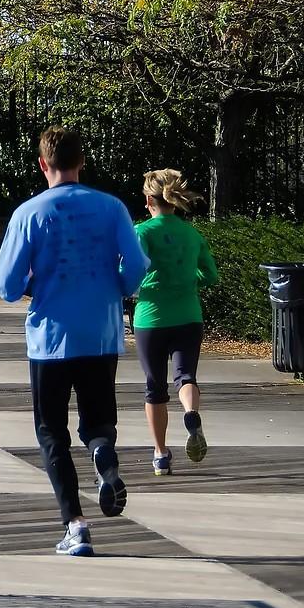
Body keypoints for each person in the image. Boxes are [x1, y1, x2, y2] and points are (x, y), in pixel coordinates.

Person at [0, 126, 148, 558]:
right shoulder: (112, 207)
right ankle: (101, 452)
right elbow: (136, 263)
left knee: (51, 432)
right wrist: (116, 288)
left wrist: (30, 284)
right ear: (82, 161)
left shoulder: (29, 213)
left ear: (43, 164)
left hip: (50, 339)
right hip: (100, 332)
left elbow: (4, 284)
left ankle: (75, 525)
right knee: (98, 419)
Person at [134, 168, 219, 475]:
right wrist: (187, 278)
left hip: (151, 317)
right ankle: (191, 411)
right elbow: (211, 275)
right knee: (186, 376)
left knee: (154, 387)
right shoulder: (192, 233)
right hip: (188, 315)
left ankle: (160, 454)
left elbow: (131, 271)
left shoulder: (142, 232)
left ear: (148, 200)